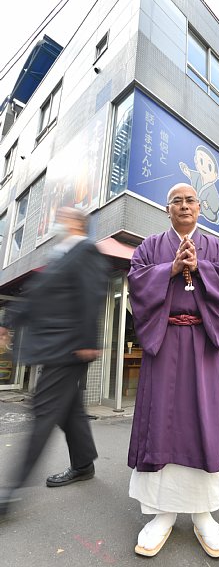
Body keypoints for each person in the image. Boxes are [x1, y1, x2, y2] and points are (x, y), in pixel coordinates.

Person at [127, 183, 219, 558]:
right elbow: (136, 285)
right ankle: (163, 512)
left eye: (191, 200)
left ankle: (204, 513)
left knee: (204, 421)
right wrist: (170, 269)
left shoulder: (218, 250)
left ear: (199, 208)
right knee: (160, 421)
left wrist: (200, 268)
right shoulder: (148, 247)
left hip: (203, 345)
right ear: (167, 208)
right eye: (177, 201)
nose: (185, 206)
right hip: (164, 340)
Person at [0, 207, 109, 519]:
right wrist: (9, 320)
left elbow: (92, 294)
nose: (56, 220)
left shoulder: (85, 250)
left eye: (63, 216)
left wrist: (90, 340)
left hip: (70, 348)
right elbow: (39, 295)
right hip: (56, 347)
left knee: (43, 413)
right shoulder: (60, 254)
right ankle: (83, 464)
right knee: (70, 411)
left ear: (77, 223)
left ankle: (10, 493)